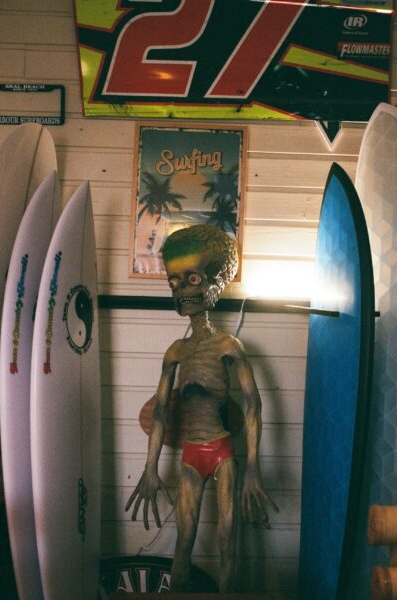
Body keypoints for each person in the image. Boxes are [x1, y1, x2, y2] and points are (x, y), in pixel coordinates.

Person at [125, 224, 278, 592]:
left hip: (223, 452)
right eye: (174, 282)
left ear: (212, 280)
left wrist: (253, 469)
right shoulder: (176, 352)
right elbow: (160, 414)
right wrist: (150, 469)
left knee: (227, 540)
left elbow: (253, 407)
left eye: (192, 279)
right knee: (184, 540)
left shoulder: (229, 346)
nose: (182, 290)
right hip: (192, 454)